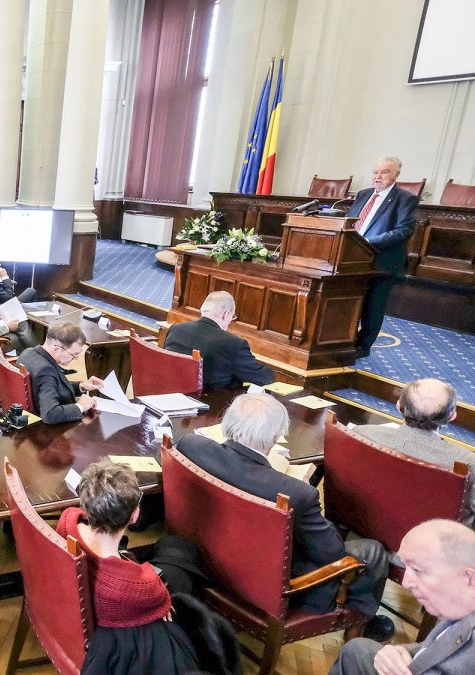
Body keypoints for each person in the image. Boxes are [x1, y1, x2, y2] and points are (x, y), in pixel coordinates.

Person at [176, 393, 392, 639]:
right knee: (373, 551)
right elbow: (333, 554)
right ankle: (362, 626)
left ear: (227, 423)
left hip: (209, 559)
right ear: (276, 435)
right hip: (270, 587)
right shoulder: (298, 494)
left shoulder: (190, 446)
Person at [56, 460, 201, 673]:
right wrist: (162, 602)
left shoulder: (67, 523)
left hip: (84, 611)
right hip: (128, 635)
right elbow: (161, 599)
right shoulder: (136, 587)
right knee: (183, 558)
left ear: (86, 504)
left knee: (172, 547)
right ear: (134, 515)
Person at [330, 519, 475, 675]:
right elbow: (438, 645)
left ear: (469, 578)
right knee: (356, 650)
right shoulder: (458, 607)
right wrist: (402, 652)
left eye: (417, 570)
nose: (406, 583)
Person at [351, 378, 474, 520]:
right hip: (433, 531)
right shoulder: (468, 462)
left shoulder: (361, 433)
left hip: (368, 519)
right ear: (451, 416)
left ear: (398, 406)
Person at [346, 157, 420, 358]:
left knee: (373, 306)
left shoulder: (406, 199)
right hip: (353, 259)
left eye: (384, 172)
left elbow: (404, 230)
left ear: (396, 175)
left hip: (382, 262)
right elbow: (349, 223)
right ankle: (344, 340)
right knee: (350, 302)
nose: (378, 177)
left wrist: (367, 242)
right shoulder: (363, 194)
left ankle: (363, 347)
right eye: (375, 172)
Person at [163, 291, 274, 389]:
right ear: (226, 314)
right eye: (232, 316)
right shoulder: (233, 344)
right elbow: (262, 377)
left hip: (170, 392)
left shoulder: (176, 329)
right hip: (208, 401)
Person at [17, 321, 102, 423]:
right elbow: (50, 415)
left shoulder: (28, 353)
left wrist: (81, 386)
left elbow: (50, 386)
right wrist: (80, 407)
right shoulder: (45, 370)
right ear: (57, 349)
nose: (76, 358)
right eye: (74, 354)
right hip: (47, 427)